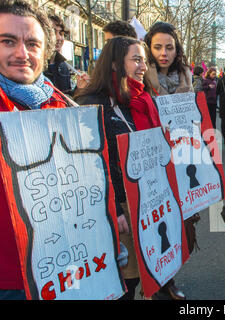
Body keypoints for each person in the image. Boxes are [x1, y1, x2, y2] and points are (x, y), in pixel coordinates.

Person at [74, 36, 160, 300]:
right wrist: (115, 206)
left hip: (142, 197)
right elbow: (91, 164)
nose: (143, 66)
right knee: (120, 276)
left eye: (144, 60)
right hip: (115, 206)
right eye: (136, 60)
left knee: (136, 271)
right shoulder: (91, 102)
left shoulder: (141, 99)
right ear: (114, 64)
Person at [0, 0, 73, 300]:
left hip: (65, 266)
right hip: (9, 278)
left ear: (45, 51)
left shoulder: (65, 106)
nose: (21, 53)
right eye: (7, 41)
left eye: (32, 43)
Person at [144, 21, 196, 300]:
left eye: (170, 47)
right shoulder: (141, 78)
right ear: (149, 49)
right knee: (154, 221)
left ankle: (169, 277)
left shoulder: (186, 78)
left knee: (177, 223)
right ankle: (151, 280)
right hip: (152, 160)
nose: (164, 53)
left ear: (177, 50)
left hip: (182, 158)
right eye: (158, 47)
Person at [44, 15, 89, 95]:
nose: (59, 38)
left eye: (61, 33)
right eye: (54, 32)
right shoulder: (37, 66)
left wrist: (79, 89)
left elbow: (66, 99)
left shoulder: (63, 66)